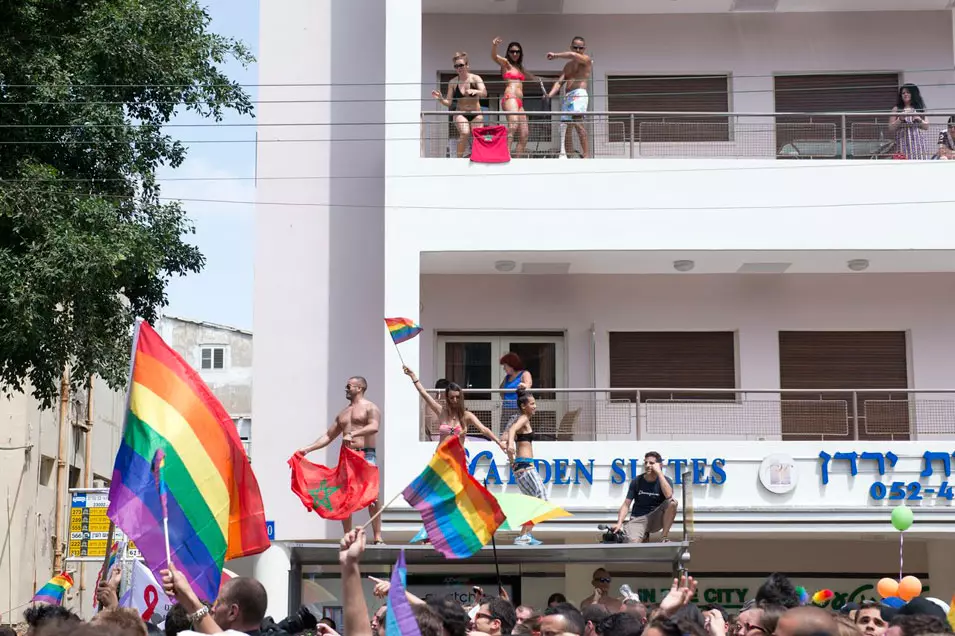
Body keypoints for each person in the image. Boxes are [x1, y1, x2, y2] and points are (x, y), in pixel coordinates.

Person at [296, 376, 383, 543]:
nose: (346, 389)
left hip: (365, 455)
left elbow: (374, 427)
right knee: (345, 497)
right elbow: (329, 435)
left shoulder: (370, 407)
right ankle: (348, 535)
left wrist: (353, 434)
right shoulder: (343, 413)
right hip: (348, 457)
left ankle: (378, 536)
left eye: (349, 386)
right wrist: (307, 449)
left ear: (359, 388)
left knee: (373, 497)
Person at [404, 366, 505, 448]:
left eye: (457, 397)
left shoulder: (466, 416)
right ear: (447, 398)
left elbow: (484, 429)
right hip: (441, 458)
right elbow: (424, 393)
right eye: (452, 397)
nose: (455, 400)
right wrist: (413, 376)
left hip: (457, 459)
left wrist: (499, 442)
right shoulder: (441, 411)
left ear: (461, 397)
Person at [503, 388, 546, 545]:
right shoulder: (524, 418)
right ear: (523, 406)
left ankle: (524, 534)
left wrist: (511, 457)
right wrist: (510, 447)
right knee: (542, 499)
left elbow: (508, 434)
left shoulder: (522, 418)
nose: (535, 406)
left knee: (532, 502)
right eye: (532, 404)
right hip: (526, 466)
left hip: (521, 466)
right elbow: (512, 430)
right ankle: (524, 535)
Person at [611, 451, 677, 543]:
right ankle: (643, 536)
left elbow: (669, 495)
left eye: (651, 463)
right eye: (645, 462)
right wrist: (619, 523)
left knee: (672, 502)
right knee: (633, 542)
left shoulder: (666, 480)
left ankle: (664, 537)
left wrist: (659, 473)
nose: (647, 465)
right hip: (638, 519)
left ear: (660, 465)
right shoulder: (637, 481)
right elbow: (626, 505)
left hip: (656, 517)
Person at [432, 52, 487, 158]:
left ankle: (477, 157)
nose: (459, 68)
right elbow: (449, 102)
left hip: (476, 113)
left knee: (478, 136)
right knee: (465, 132)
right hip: (460, 113)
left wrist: (475, 91)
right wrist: (440, 99)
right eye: (456, 66)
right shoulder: (453, 82)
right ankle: (459, 160)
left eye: (461, 65)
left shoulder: (475, 78)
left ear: (467, 65)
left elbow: (484, 93)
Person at [546, 36, 592, 158]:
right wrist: (549, 95)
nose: (578, 50)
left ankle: (586, 156)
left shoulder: (586, 59)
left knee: (578, 123)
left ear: (584, 49)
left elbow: (573, 55)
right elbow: (559, 82)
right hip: (568, 96)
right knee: (566, 127)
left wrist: (555, 55)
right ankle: (569, 155)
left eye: (580, 48)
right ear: (571, 47)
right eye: (575, 47)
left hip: (579, 94)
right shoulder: (567, 66)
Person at [491, 37, 537, 158]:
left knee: (524, 133)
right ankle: (505, 155)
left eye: (517, 51)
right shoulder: (506, 63)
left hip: (519, 102)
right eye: (512, 51)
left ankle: (517, 160)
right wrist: (495, 46)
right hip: (510, 97)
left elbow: (534, 78)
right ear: (508, 52)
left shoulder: (521, 68)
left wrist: (559, 80)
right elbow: (495, 57)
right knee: (513, 125)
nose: (515, 53)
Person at [889, 84, 929, 160]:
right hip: (902, 143)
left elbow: (926, 126)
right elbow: (891, 128)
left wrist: (918, 118)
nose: (905, 94)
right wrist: (900, 119)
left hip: (918, 144)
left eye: (908, 92)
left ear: (913, 94)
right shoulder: (896, 109)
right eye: (903, 93)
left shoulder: (920, 108)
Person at [500, 352, 533, 427]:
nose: (504, 368)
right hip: (506, 409)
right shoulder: (507, 377)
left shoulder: (524, 374)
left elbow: (528, 385)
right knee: (503, 433)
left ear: (512, 365)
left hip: (518, 409)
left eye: (505, 366)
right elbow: (501, 390)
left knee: (509, 431)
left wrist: (524, 385)